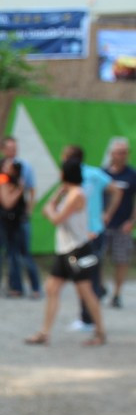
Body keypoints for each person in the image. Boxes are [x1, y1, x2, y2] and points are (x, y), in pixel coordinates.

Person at [25, 158, 107, 347]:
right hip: (65, 250)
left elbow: (56, 218)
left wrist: (49, 208)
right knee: (52, 288)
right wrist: (55, 197)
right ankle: (44, 332)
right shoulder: (68, 192)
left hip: (77, 250)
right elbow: (51, 210)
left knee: (86, 292)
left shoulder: (77, 194)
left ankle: (100, 332)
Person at [63, 145, 122, 331]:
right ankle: (89, 316)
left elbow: (117, 190)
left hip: (89, 232)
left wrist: (107, 214)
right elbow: (116, 190)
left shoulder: (87, 176)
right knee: (86, 274)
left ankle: (88, 320)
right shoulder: (90, 175)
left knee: (86, 275)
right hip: (87, 231)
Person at [0, 136, 40, 297]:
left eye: (14, 149)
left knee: (18, 254)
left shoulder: (24, 168)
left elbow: (28, 192)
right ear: (3, 150)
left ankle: (23, 286)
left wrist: (28, 209)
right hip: (1, 218)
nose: (12, 152)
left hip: (17, 219)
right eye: (9, 148)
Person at [101, 137, 134, 308]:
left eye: (124, 153)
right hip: (103, 224)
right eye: (117, 152)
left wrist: (132, 221)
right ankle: (100, 287)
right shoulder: (103, 173)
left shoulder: (131, 174)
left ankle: (117, 293)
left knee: (121, 260)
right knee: (98, 258)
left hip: (122, 225)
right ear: (111, 154)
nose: (121, 156)